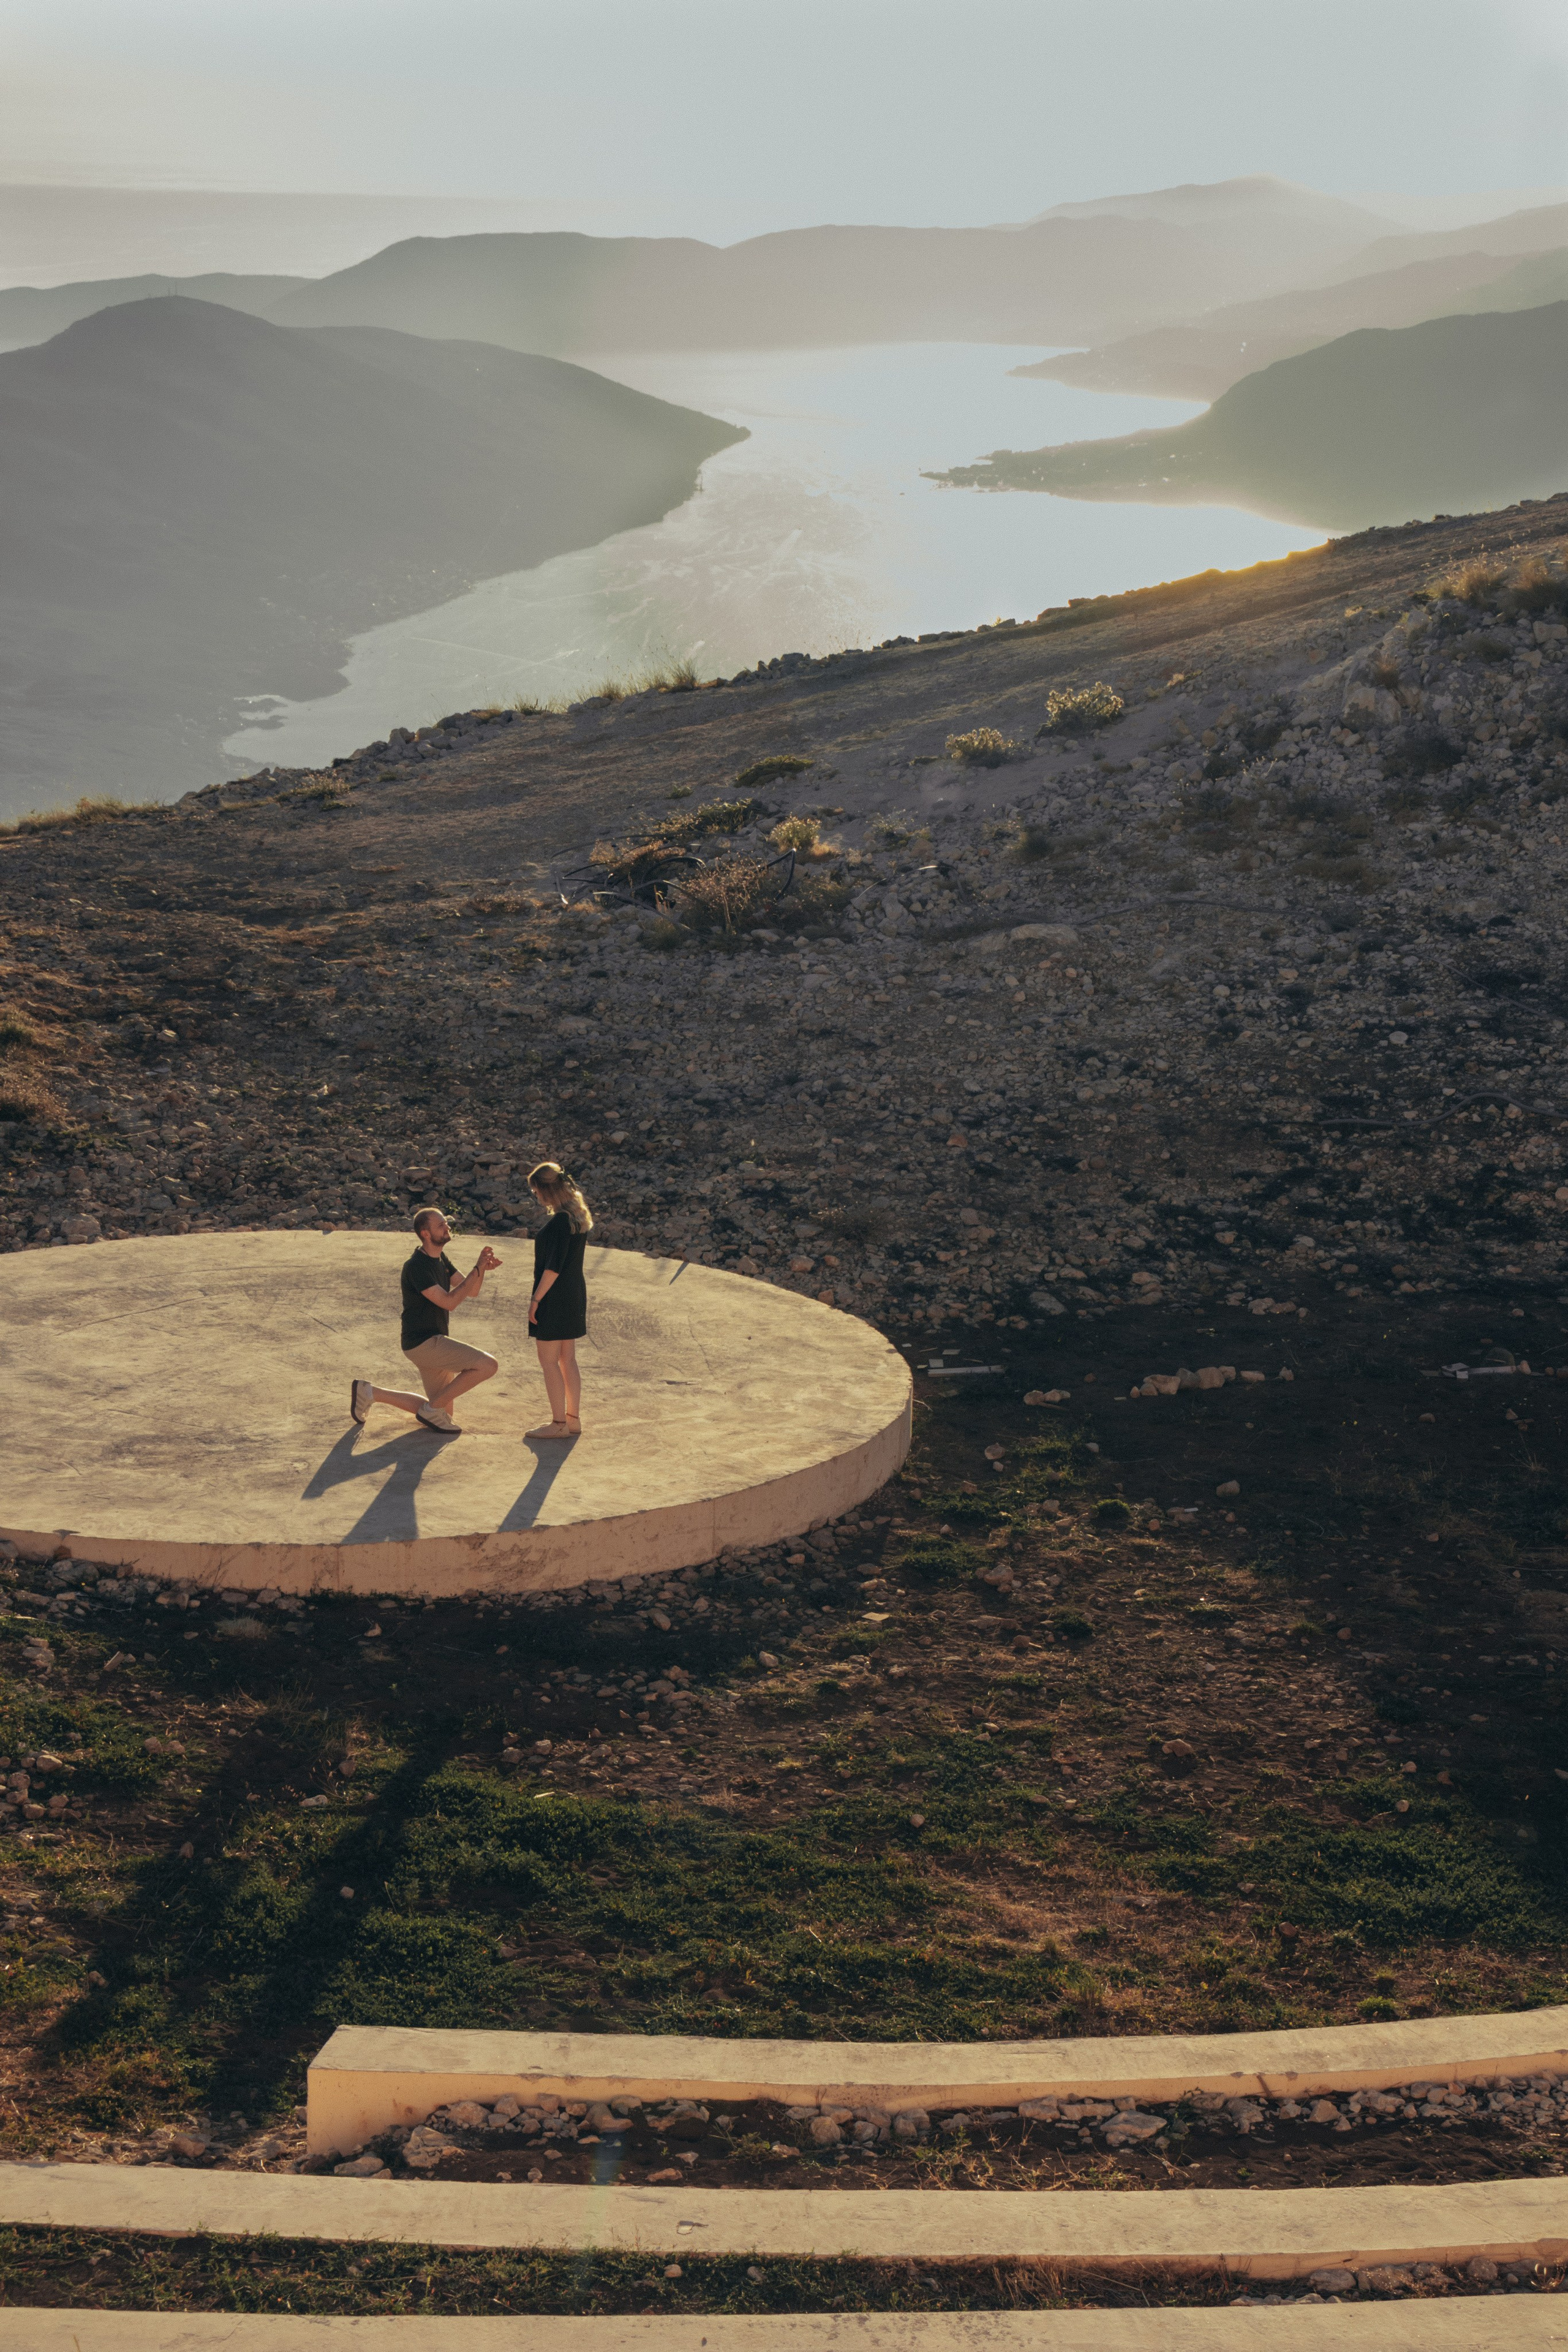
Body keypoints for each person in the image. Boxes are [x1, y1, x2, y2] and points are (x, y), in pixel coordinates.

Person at [350, 1209, 501, 1436]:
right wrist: (477, 1268)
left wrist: (482, 1270)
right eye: (441, 1225)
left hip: (433, 1340)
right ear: (426, 1234)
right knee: (488, 1365)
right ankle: (431, 1409)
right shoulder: (416, 1267)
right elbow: (449, 1302)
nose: (447, 1227)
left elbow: (472, 1291)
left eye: (446, 1223)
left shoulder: (441, 1259)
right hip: (423, 1342)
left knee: (443, 1414)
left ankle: (369, 1392)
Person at [526, 1161, 591, 1439]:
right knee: (568, 1359)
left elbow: (553, 1269)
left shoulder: (560, 1222)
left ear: (546, 1190)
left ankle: (558, 1424)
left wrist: (536, 1300)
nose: (536, 1196)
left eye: (536, 1191)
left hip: (554, 1298)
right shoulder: (577, 1216)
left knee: (549, 1361)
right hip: (574, 1295)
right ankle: (572, 1420)